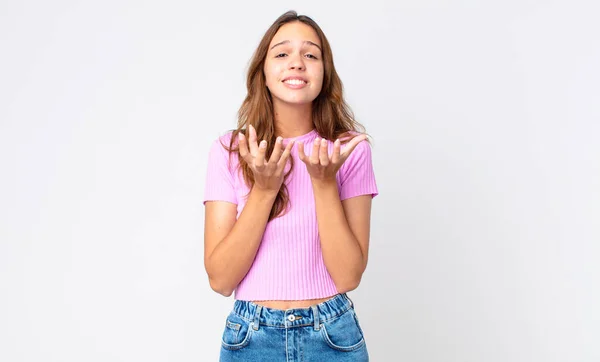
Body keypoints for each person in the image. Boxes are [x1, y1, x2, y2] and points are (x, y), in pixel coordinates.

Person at [203, 10, 378, 361]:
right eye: (282, 54)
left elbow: (348, 275)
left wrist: (324, 183)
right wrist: (265, 190)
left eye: (310, 54)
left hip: (331, 336)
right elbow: (221, 280)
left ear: (324, 73)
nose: (296, 63)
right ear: (262, 74)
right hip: (251, 337)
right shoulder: (230, 150)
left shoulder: (347, 150)